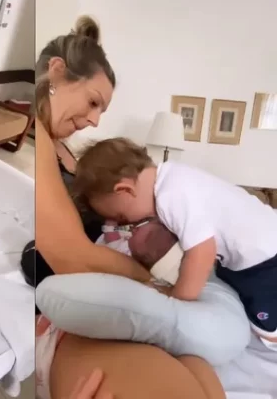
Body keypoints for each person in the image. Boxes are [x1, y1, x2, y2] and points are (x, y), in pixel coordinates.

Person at [34, 15, 239, 398]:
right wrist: (155, 285)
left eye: (101, 110)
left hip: (124, 293)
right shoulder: (37, 137)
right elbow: (72, 257)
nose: (94, 120)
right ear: (56, 72)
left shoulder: (64, 150)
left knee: (202, 380)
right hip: (86, 305)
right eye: (93, 102)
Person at [74, 138, 277, 346]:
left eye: (122, 217)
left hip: (263, 256)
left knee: (266, 327)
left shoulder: (170, 196)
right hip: (256, 247)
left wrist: (178, 298)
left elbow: (202, 252)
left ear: (125, 191)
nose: (128, 223)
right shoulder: (172, 175)